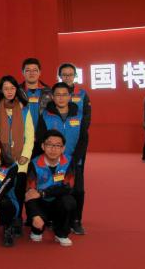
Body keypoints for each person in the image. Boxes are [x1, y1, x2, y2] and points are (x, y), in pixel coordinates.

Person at [0, 75, 34, 236]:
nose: (9, 91)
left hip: (20, 160)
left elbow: (30, 135)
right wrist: (1, 156)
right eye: (6, 88)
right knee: (0, 190)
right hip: (2, 159)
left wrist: (25, 155)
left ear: (17, 90)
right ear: (1, 91)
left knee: (18, 191)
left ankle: (16, 219)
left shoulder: (24, 109)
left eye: (12, 88)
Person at [25, 130, 76, 247]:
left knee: (69, 201)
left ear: (63, 148)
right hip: (40, 202)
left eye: (57, 145)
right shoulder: (34, 163)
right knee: (31, 197)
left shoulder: (69, 161)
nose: (53, 149)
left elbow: (68, 187)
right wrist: (35, 215)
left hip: (57, 201)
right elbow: (30, 192)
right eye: (49, 145)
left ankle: (61, 233)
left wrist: (43, 193)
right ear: (43, 146)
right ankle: (37, 229)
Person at [58, 63, 90, 234]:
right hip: (57, 151)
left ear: (75, 76)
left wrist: (78, 152)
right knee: (57, 183)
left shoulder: (82, 94)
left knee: (77, 186)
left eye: (70, 74)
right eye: (64, 74)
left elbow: (86, 123)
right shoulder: (55, 93)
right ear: (60, 76)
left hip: (76, 148)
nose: (67, 77)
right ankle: (58, 218)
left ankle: (76, 220)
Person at [35, 82, 89, 167]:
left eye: (64, 95)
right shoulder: (45, 116)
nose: (61, 98)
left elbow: (83, 140)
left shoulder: (79, 116)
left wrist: (74, 160)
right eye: (58, 95)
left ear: (69, 96)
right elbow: (40, 139)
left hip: (74, 162)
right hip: (51, 163)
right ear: (52, 97)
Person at [19, 58, 52, 127]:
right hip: (23, 130)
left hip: (44, 131)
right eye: (28, 70)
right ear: (22, 72)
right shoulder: (17, 92)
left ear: (40, 72)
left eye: (35, 70)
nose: (31, 73)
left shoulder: (49, 92)